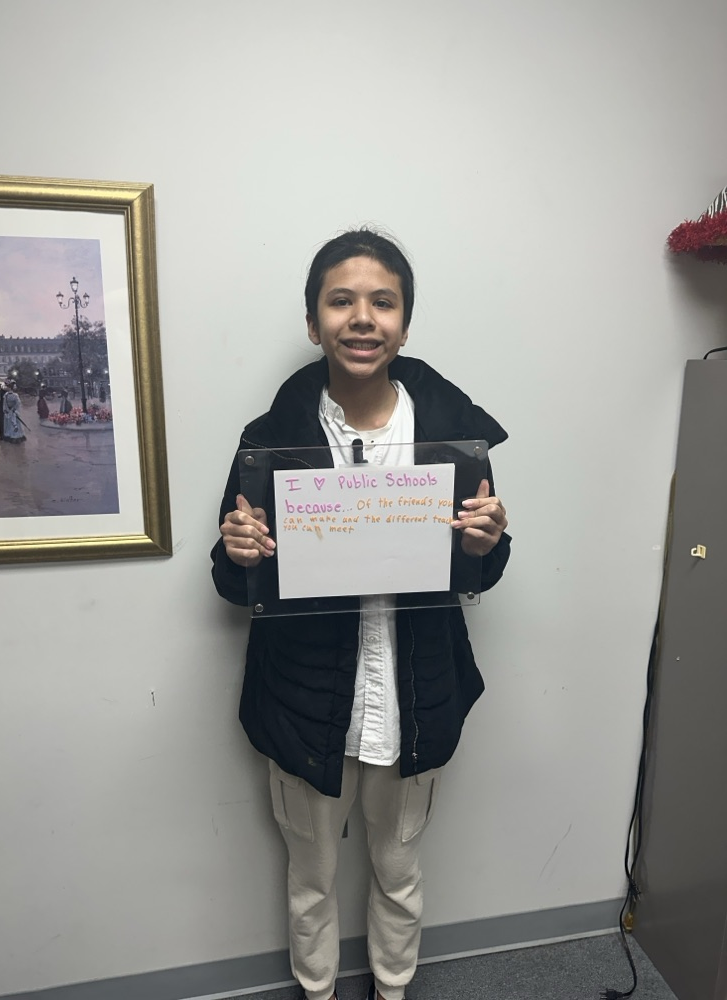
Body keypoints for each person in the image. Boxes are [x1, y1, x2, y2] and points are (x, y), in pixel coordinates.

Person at [211, 229, 511, 1000]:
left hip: (415, 692)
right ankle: (316, 992)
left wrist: (488, 540)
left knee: (399, 871)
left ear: (405, 323)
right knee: (309, 879)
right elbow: (233, 578)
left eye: (383, 301)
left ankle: (392, 990)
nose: (362, 317)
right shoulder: (266, 443)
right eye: (340, 300)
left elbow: (479, 571)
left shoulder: (453, 439)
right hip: (306, 700)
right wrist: (240, 554)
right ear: (314, 323)